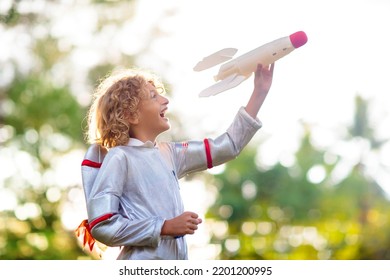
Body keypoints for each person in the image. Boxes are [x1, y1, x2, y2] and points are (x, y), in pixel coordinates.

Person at [78, 63, 275, 260]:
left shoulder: (169, 153)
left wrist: (260, 92)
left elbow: (226, 148)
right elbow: (102, 225)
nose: (165, 100)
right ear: (131, 114)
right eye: (154, 96)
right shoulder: (120, 157)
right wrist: (164, 227)